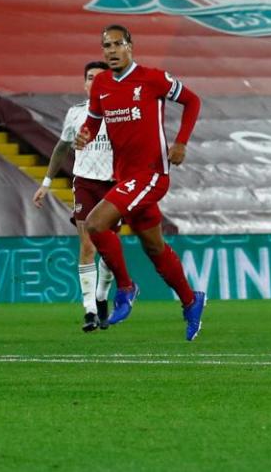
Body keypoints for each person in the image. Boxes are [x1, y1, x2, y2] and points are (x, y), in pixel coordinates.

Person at [75, 24, 206, 341]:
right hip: (124, 176)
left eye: (117, 44)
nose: (111, 51)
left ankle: (126, 287)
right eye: (106, 46)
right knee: (155, 248)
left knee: (95, 224)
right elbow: (94, 120)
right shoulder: (102, 84)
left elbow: (193, 101)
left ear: (130, 46)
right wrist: (86, 135)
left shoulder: (153, 79)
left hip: (151, 174)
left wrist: (181, 143)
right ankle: (191, 301)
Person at [33, 61, 115, 332]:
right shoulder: (77, 113)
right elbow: (61, 148)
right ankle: (89, 310)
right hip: (85, 184)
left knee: (110, 252)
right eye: (90, 78)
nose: (94, 82)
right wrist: (46, 183)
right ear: (84, 83)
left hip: (114, 186)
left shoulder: (122, 114)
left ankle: (102, 296)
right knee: (88, 246)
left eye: (99, 78)